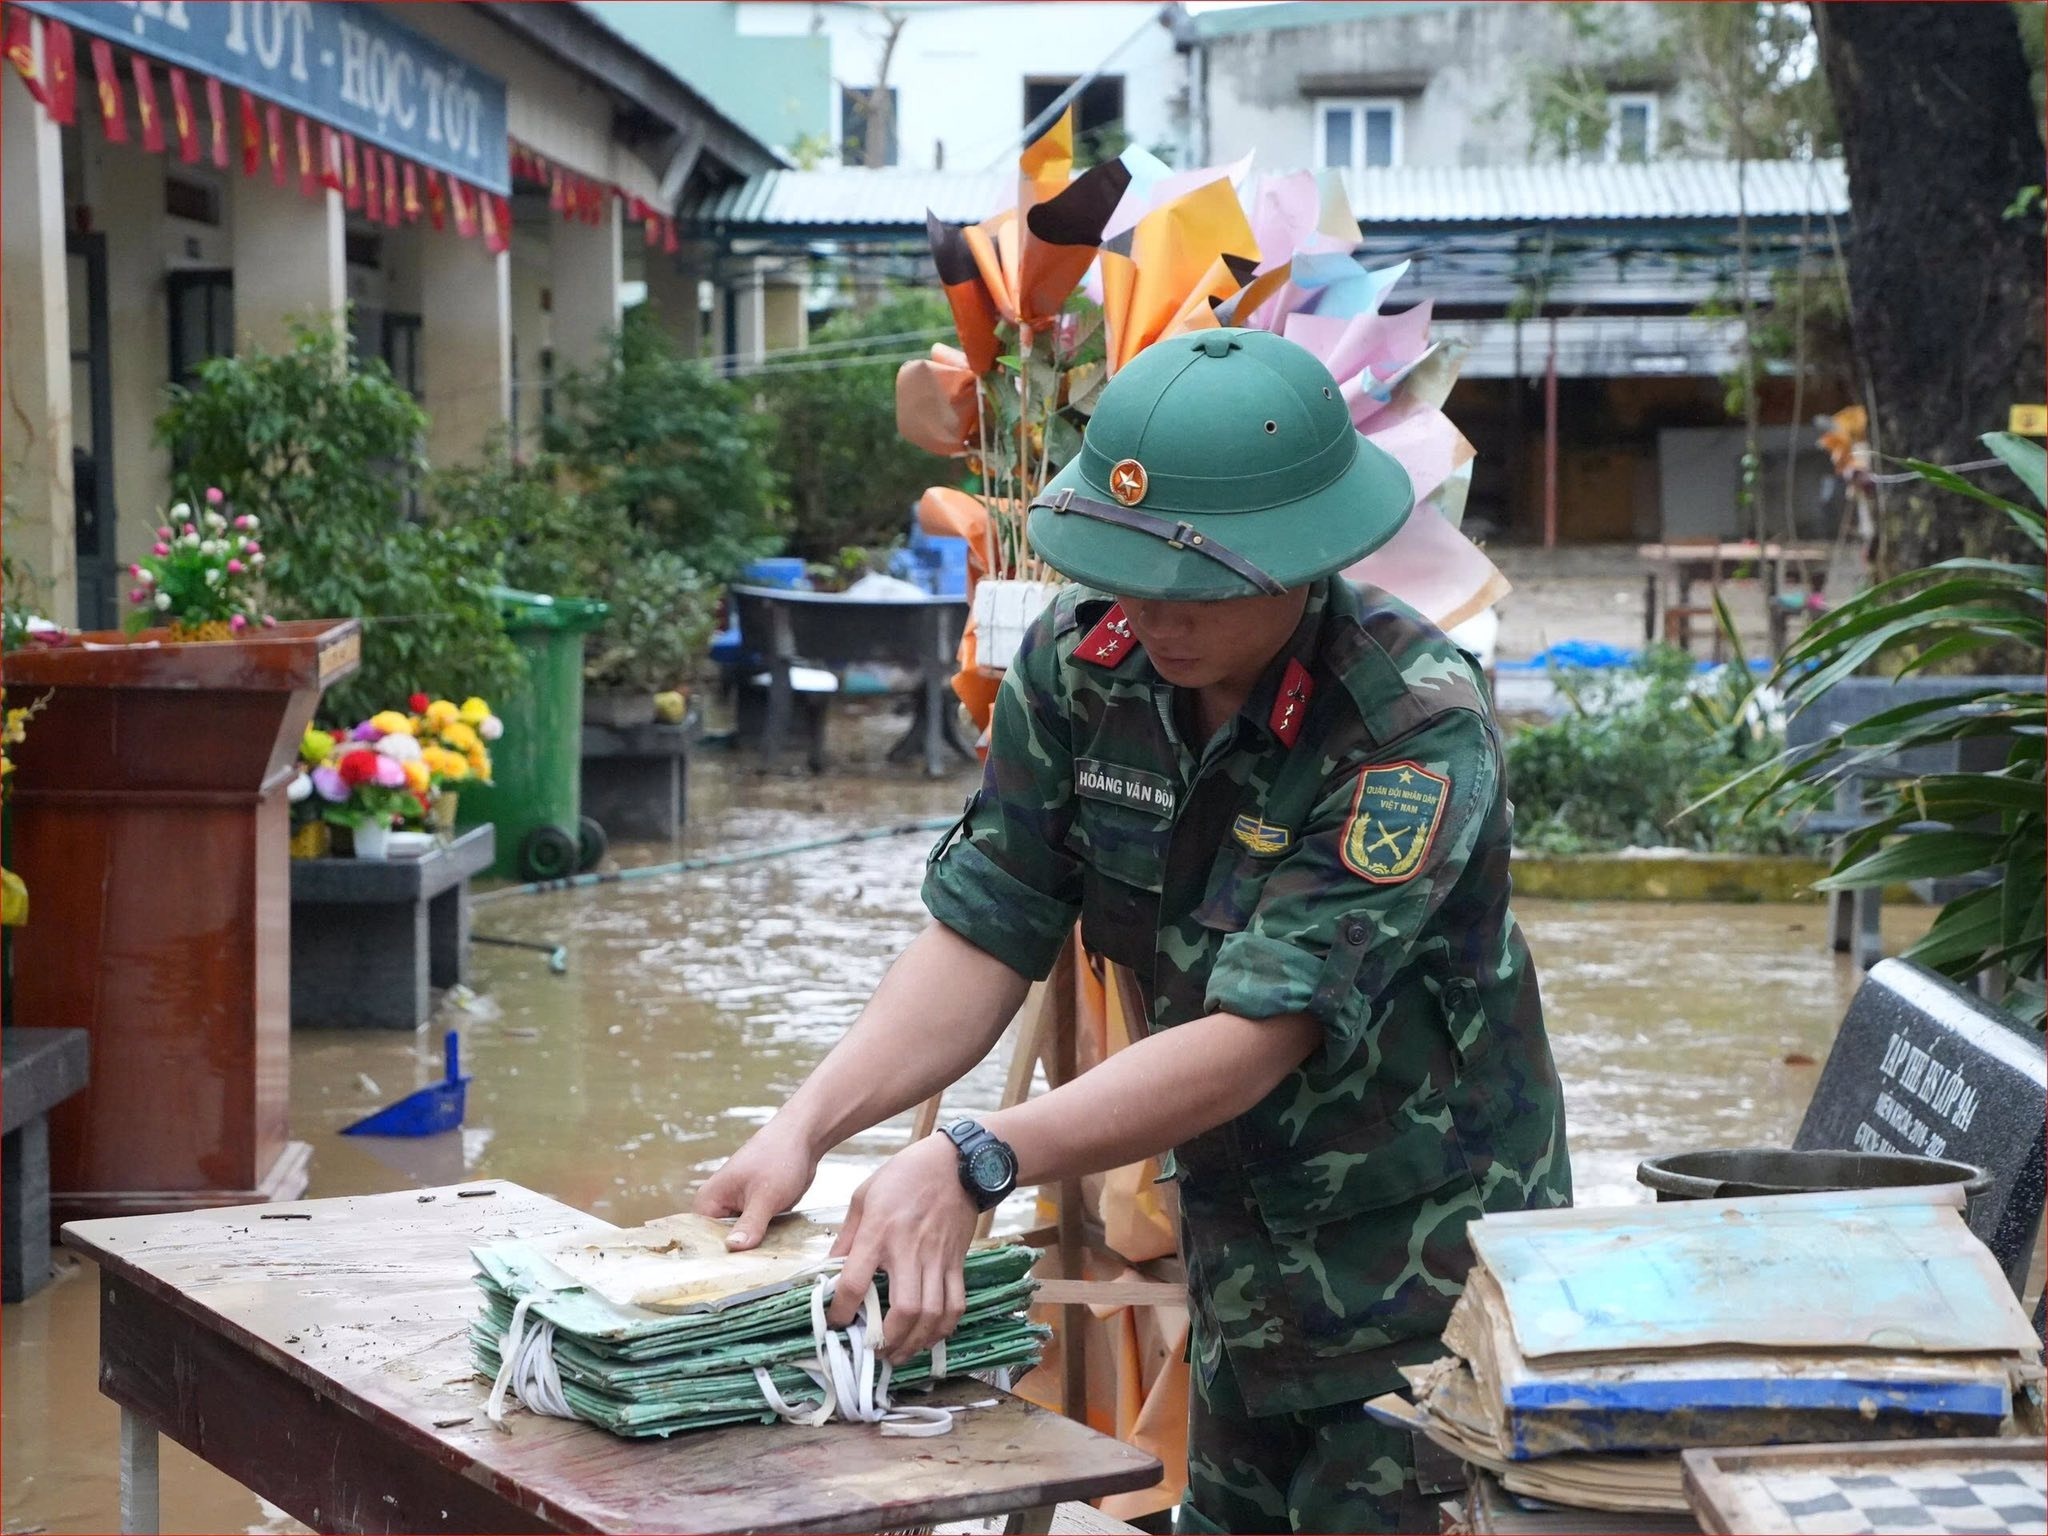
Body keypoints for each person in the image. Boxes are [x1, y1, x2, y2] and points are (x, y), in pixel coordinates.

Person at [696, 328, 1572, 1534]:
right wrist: (806, 1125)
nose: (1154, 613)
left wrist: (976, 1157)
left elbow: (1260, 1031)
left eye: (1196, 583)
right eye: (1128, 571)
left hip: (1420, 1278)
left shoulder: (1408, 727)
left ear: (1301, 556)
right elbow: (986, 928)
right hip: (1236, 1247)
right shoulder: (1080, 664)